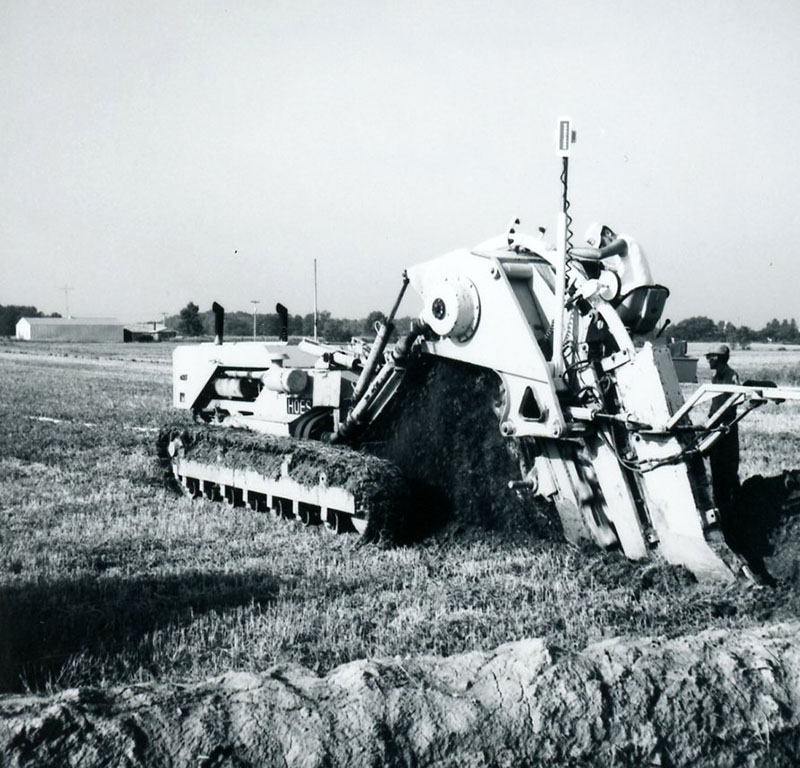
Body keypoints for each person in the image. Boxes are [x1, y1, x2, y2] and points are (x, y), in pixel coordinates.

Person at [705, 343, 741, 526]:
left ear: (717, 358)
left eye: (709, 357)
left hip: (726, 430)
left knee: (727, 473)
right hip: (716, 427)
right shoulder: (715, 378)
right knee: (717, 472)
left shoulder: (730, 376)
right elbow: (715, 405)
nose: (707, 360)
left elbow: (732, 404)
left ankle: (733, 513)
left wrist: (719, 423)